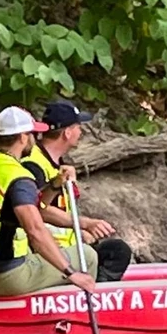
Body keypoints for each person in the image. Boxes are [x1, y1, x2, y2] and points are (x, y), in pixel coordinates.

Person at [0, 106, 97, 301]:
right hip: (5, 277)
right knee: (87, 256)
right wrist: (72, 273)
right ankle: (75, 316)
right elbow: (35, 230)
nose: (35, 139)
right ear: (22, 137)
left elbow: (28, 208)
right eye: (32, 134)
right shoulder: (19, 177)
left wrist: (54, 185)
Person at [22, 99, 132, 282]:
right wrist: (84, 223)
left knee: (117, 250)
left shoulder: (58, 163)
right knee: (115, 252)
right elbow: (36, 209)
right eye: (78, 127)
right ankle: (95, 296)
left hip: (72, 246)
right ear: (67, 132)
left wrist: (81, 233)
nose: (81, 132)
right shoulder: (34, 166)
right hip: (52, 254)